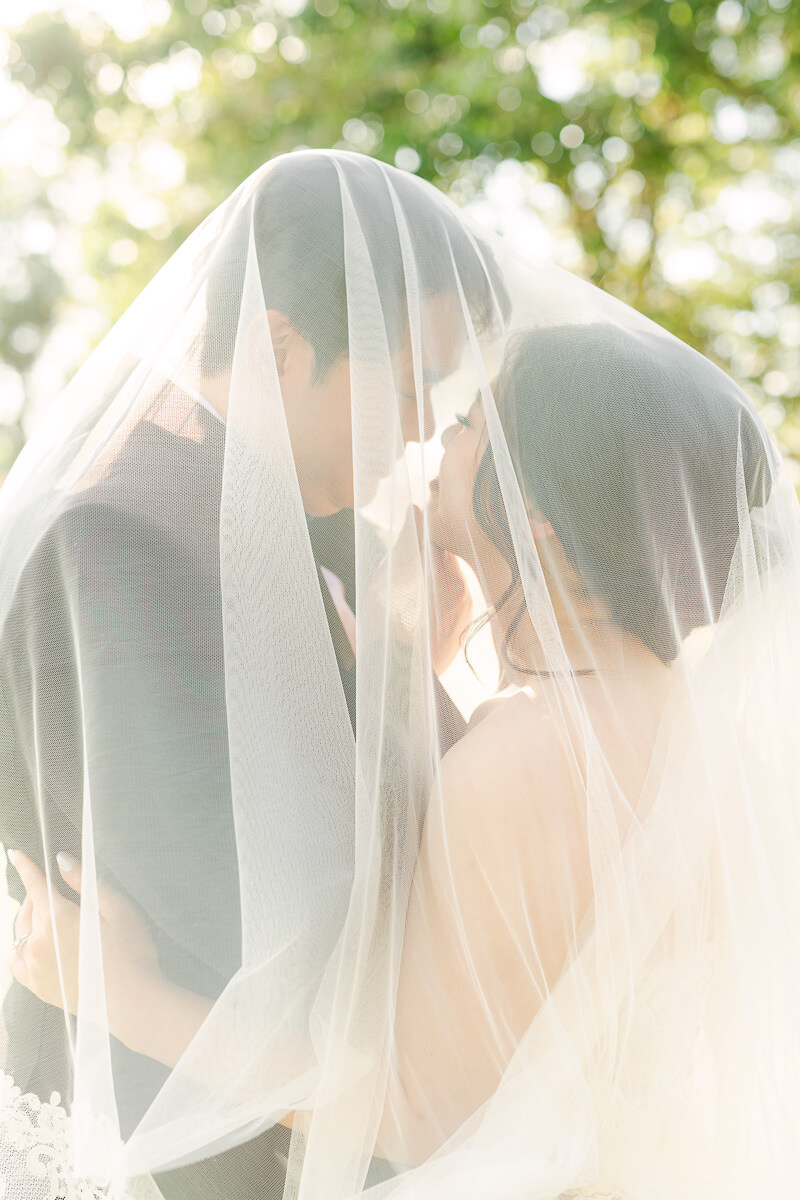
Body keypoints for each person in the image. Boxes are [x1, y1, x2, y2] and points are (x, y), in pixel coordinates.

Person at [9, 320, 800, 1199]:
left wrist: (127, 996)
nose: (433, 438)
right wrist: (408, 672)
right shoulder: (698, 742)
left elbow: (414, 1106)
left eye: (470, 425)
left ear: (535, 515)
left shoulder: (532, 756)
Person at [0, 150, 507, 1199]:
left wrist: (406, 661)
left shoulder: (306, 527)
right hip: (179, 1149)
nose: (418, 427)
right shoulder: (119, 540)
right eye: (410, 386)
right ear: (280, 344)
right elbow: (268, 935)